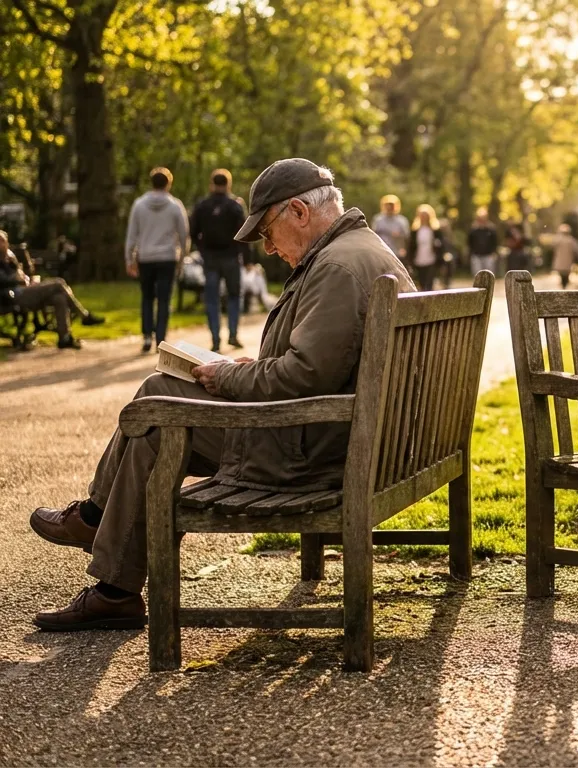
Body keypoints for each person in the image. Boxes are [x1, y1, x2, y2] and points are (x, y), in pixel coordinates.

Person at [27, 158, 416, 631]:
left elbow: (305, 374)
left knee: (158, 409)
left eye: (268, 232)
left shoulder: (337, 266)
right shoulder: (361, 250)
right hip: (345, 436)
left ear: (298, 211)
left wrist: (228, 378)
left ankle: (109, 570)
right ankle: (102, 548)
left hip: (311, 451)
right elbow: (322, 365)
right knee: (161, 393)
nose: (269, 249)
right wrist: (250, 369)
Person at [1, 229, 104, 348]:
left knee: (59, 298)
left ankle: (64, 338)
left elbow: (22, 275)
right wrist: (18, 280)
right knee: (59, 283)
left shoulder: (9, 260)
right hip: (12, 295)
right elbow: (5, 281)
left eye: (3, 241)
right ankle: (84, 316)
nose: (2, 244)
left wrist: (28, 279)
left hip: (25, 290)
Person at [125, 167, 188, 353]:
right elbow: (184, 234)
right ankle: (161, 338)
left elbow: (131, 234)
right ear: (168, 183)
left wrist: (129, 258)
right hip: (167, 257)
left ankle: (146, 336)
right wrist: (182, 257)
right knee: (164, 298)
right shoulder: (175, 206)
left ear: (151, 182)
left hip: (145, 257)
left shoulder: (139, 205)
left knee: (146, 297)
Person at [190, 168, 247, 351]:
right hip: (231, 257)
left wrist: (202, 250)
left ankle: (215, 338)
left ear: (212, 184)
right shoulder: (235, 206)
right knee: (233, 296)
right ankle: (233, 334)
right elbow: (244, 234)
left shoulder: (202, 206)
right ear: (228, 184)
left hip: (211, 259)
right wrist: (247, 258)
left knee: (212, 299)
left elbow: (192, 232)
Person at [410, 203, 452, 290]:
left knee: (429, 281)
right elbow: (411, 245)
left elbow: (442, 244)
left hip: (432, 258)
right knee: (421, 281)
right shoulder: (415, 231)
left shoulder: (435, 230)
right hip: (418, 258)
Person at [372, 194, 410, 265]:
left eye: (392, 205)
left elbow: (406, 237)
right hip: (381, 251)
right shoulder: (378, 220)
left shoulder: (402, 220)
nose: (389, 208)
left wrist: (399, 236)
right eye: (387, 205)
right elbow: (373, 235)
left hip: (397, 252)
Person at [467, 209, 499, 276]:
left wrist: (494, 252)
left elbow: (495, 242)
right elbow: (469, 242)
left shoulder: (491, 229)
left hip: (488, 255)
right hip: (476, 255)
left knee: (489, 274)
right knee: (477, 274)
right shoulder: (473, 230)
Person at [551, 222, 578, 289]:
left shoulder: (558, 239)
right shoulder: (571, 240)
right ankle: (564, 286)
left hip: (560, 262)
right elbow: (576, 250)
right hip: (568, 262)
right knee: (566, 275)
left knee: (562, 275)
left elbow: (552, 246)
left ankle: (563, 286)